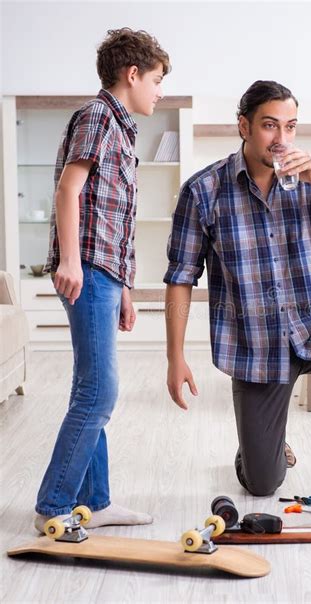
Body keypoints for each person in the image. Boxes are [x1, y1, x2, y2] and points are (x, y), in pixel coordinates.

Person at [164, 80, 311, 519]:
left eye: (290, 127)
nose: (282, 139)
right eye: (270, 126)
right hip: (256, 348)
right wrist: (174, 356)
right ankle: (262, 447)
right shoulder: (204, 191)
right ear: (244, 126)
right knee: (261, 484)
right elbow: (181, 277)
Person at [35, 28, 170, 532]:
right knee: (99, 393)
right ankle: (52, 507)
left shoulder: (121, 126)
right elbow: (69, 190)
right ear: (131, 74)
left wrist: (126, 288)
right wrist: (70, 261)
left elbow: (115, 215)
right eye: (156, 80)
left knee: (90, 390)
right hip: (87, 269)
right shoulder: (96, 117)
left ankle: (98, 500)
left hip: (105, 273)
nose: (160, 90)